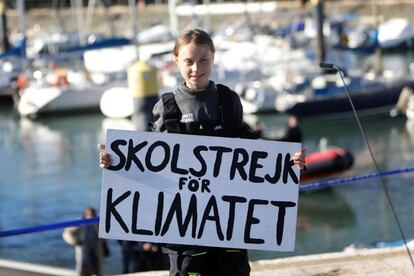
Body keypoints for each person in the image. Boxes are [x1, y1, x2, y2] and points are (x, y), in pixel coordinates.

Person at [99, 28, 306, 276]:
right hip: (183, 230)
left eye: (203, 60)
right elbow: (148, 163)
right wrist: (116, 162)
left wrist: (286, 161)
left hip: (229, 226)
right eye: (188, 61)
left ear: (213, 58)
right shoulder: (166, 107)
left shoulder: (228, 101)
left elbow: (252, 148)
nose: (196, 68)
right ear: (176, 61)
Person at [63, 207, 109, 276]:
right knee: (83, 271)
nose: (90, 215)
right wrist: (75, 241)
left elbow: (105, 235)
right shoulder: (80, 223)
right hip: (84, 253)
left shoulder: (98, 223)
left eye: (91, 213)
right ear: (84, 214)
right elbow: (67, 233)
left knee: (98, 270)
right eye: (88, 213)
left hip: (96, 253)